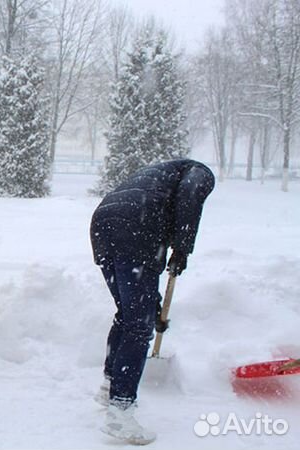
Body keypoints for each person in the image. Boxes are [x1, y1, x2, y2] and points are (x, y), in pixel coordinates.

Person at [90, 159, 215, 445]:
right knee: (138, 327)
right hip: (136, 227)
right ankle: (120, 411)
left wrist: (152, 305)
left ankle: (110, 383)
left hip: (104, 225)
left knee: (128, 315)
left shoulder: (159, 175)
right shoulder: (200, 172)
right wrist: (183, 247)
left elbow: (169, 205)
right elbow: (190, 195)